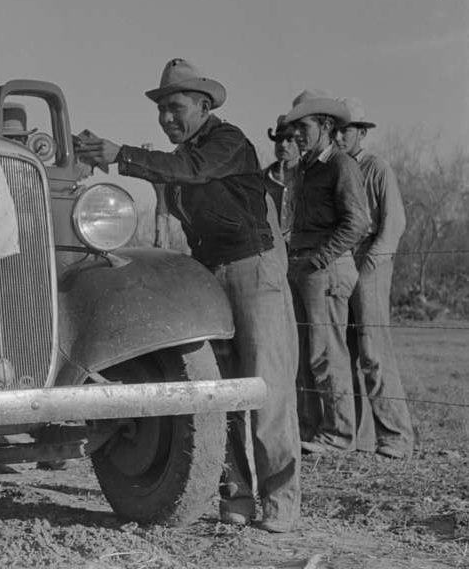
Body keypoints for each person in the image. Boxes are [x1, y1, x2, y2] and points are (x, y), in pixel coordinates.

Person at [74, 58, 301, 533]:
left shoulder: (226, 141)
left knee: (266, 388)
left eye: (174, 107)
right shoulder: (184, 155)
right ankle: (236, 498)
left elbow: (190, 169)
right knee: (221, 392)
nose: (166, 118)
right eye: (161, 110)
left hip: (252, 273)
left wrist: (120, 153)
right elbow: (175, 176)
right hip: (208, 276)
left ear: (203, 105)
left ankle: (281, 503)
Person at [282, 90, 369, 456]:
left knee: (326, 352)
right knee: (305, 352)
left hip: (327, 269)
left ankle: (338, 435)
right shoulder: (306, 167)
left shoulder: (341, 166)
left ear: (326, 126)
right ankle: (316, 428)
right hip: (305, 266)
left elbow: (358, 223)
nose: (296, 135)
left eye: (303, 127)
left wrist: (318, 259)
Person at [335, 97, 413, 459]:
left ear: (361, 133)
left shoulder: (375, 168)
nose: (338, 136)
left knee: (373, 351)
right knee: (342, 351)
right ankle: (358, 437)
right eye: (333, 129)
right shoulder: (333, 169)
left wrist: (368, 266)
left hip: (369, 263)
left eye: (346, 130)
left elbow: (393, 225)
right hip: (341, 264)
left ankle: (396, 436)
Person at [263, 115, 301, 245]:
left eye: (290, 140)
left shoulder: (311, 177)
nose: (283, 145)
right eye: (279, 140)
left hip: (304, 252)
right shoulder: (261, 179)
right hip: (271, 252)